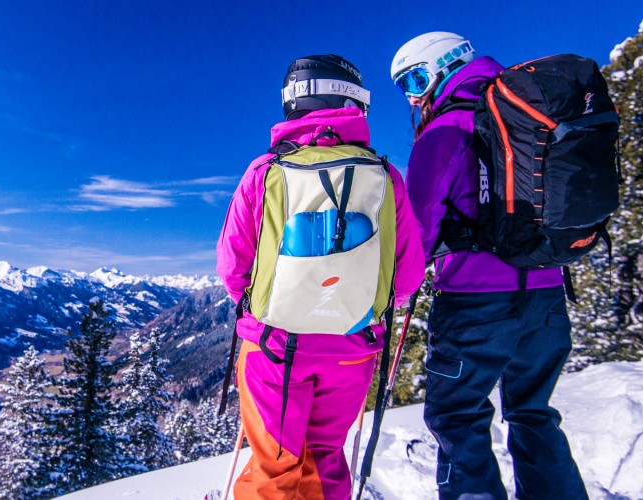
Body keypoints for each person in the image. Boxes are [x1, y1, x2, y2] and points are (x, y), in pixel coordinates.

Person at [389, 32, 588, 499]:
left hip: (475, 302)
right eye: (405, 86)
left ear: (445, 66)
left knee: (457, 415)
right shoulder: (533, 117)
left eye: (416, 79)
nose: (415, 96)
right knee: (533, 411)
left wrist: (396, 287)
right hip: (546, 292)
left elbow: (416, 231)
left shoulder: (444, 131)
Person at [217, 54, 424, 500]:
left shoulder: (264, 173)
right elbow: (405, 281)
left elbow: (233, 269)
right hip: (352, 348)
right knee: (326, 455)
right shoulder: (386, 178)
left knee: (276, 467)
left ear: (295, 102)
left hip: (274, 349)